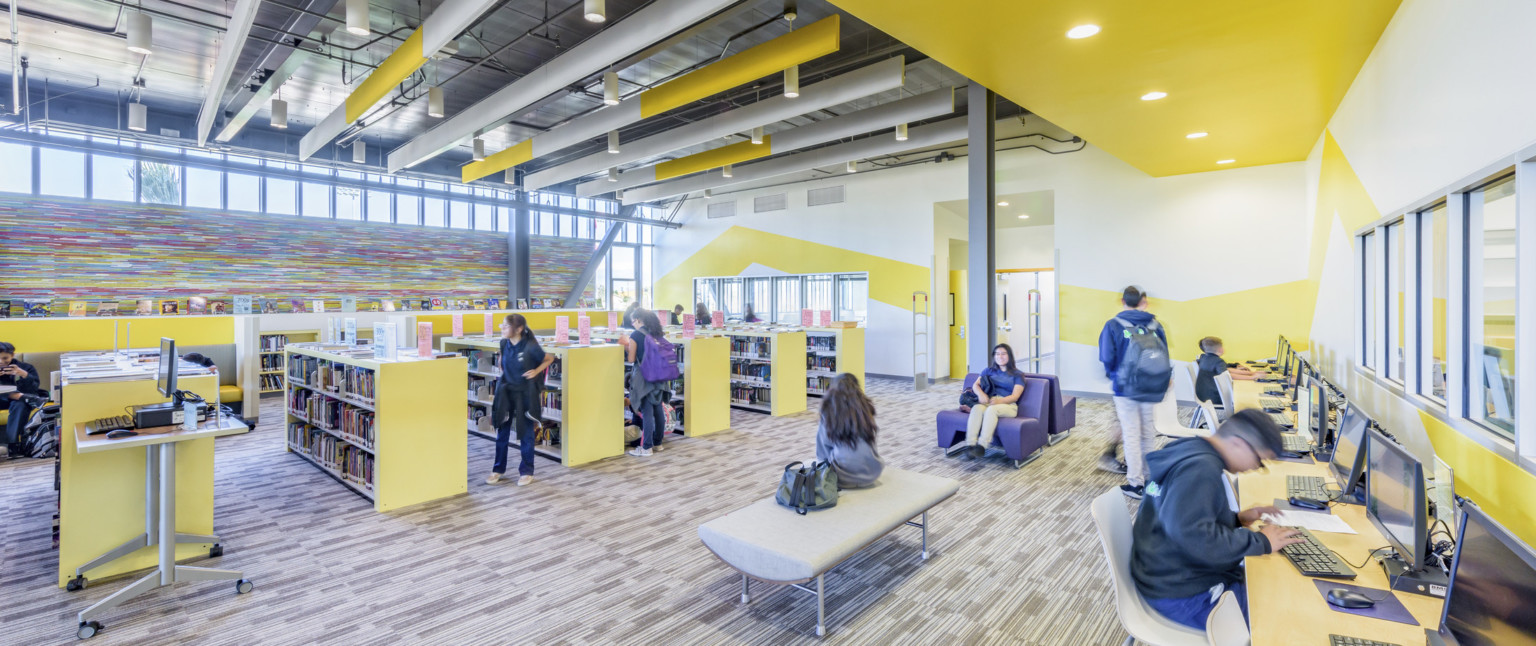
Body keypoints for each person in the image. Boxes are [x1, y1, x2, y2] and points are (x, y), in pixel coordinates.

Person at [1131, 409, 1304, 630]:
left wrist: (1238, 519)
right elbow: (1193, 536)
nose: (1255, 469)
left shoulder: (1190, 450)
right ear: (1238, 444)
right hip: (1182, 593)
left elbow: (1182, 518)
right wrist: (1262, 541)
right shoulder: (1201, 469)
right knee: (1278, 620)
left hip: (1163, 572)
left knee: (1272, 584)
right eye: (1259, 461)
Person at [1097, 285, 1168, 498]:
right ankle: (1149, 481)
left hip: (1125, 388)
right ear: (1141, 302)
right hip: (1151, 387)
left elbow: (1107, 357)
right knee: (1147, 433)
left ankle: (1135, 484)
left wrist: (1115, 375)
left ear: (1123, 301)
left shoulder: (1113, 325)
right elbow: (1164, 354)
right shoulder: (1156, 324)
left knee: (1131, 434)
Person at [488, 314, 554, 486]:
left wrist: (536, 371)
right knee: (502, 432)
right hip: (507, 392)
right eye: (501, 325)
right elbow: (503, 361)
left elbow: (549, 358)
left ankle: (526, 471)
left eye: (505, 326)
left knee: (525, 432)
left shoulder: (531, 346)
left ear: (517, 329)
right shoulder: (503, 343)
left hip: (525, 393)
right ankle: (497, 469)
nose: (501, 328)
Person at [620, 310, 676, 456]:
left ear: (638, 320)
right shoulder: (657, 333)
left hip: (644, 378)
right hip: (660, 376)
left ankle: (646, 448)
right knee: (658, 409)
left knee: (647, 411)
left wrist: (626, 346)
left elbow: (632, 359)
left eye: (633, 321)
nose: (633, 324)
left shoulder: (636, 335)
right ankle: (658, 444)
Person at [958, 343, 1026, 459]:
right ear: (994, 356)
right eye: (997, 354)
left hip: (1009, 405)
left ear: (1009, 356)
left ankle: (982, 446)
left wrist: (999, 401)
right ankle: (970, 445)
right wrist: (981, 394)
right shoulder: (989, 371)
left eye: (1003, 354)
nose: (1000, 356)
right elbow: (975, 385)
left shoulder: (1017, 375)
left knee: (991, 410)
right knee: (977, 408)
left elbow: (1015, 396)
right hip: (989, 402)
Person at [815, 373, 883, 487]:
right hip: (872, 473)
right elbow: (872, 442)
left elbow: (823, 450)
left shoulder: (828, 412)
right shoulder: (866, 409)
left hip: (841, 477)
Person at [0, 342, 45, 458]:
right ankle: (23, 397)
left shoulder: (25, 368)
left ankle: (13, 445)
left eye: (5, 358)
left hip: (18, 401)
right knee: (23, 399)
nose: (1, 361)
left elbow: (33, 388)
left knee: (20, 404)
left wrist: (24, 375)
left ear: (12, 355)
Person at [1194, 336, 1265, 405]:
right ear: (1220, 349)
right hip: (1214, 397)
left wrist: (1252, 373)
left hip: (1204, 395)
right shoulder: (1218, 361)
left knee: (1240, 388)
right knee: (1243, 392)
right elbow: (1229, 375)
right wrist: (1252, 377)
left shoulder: (1204, 358)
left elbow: (1227, 370)